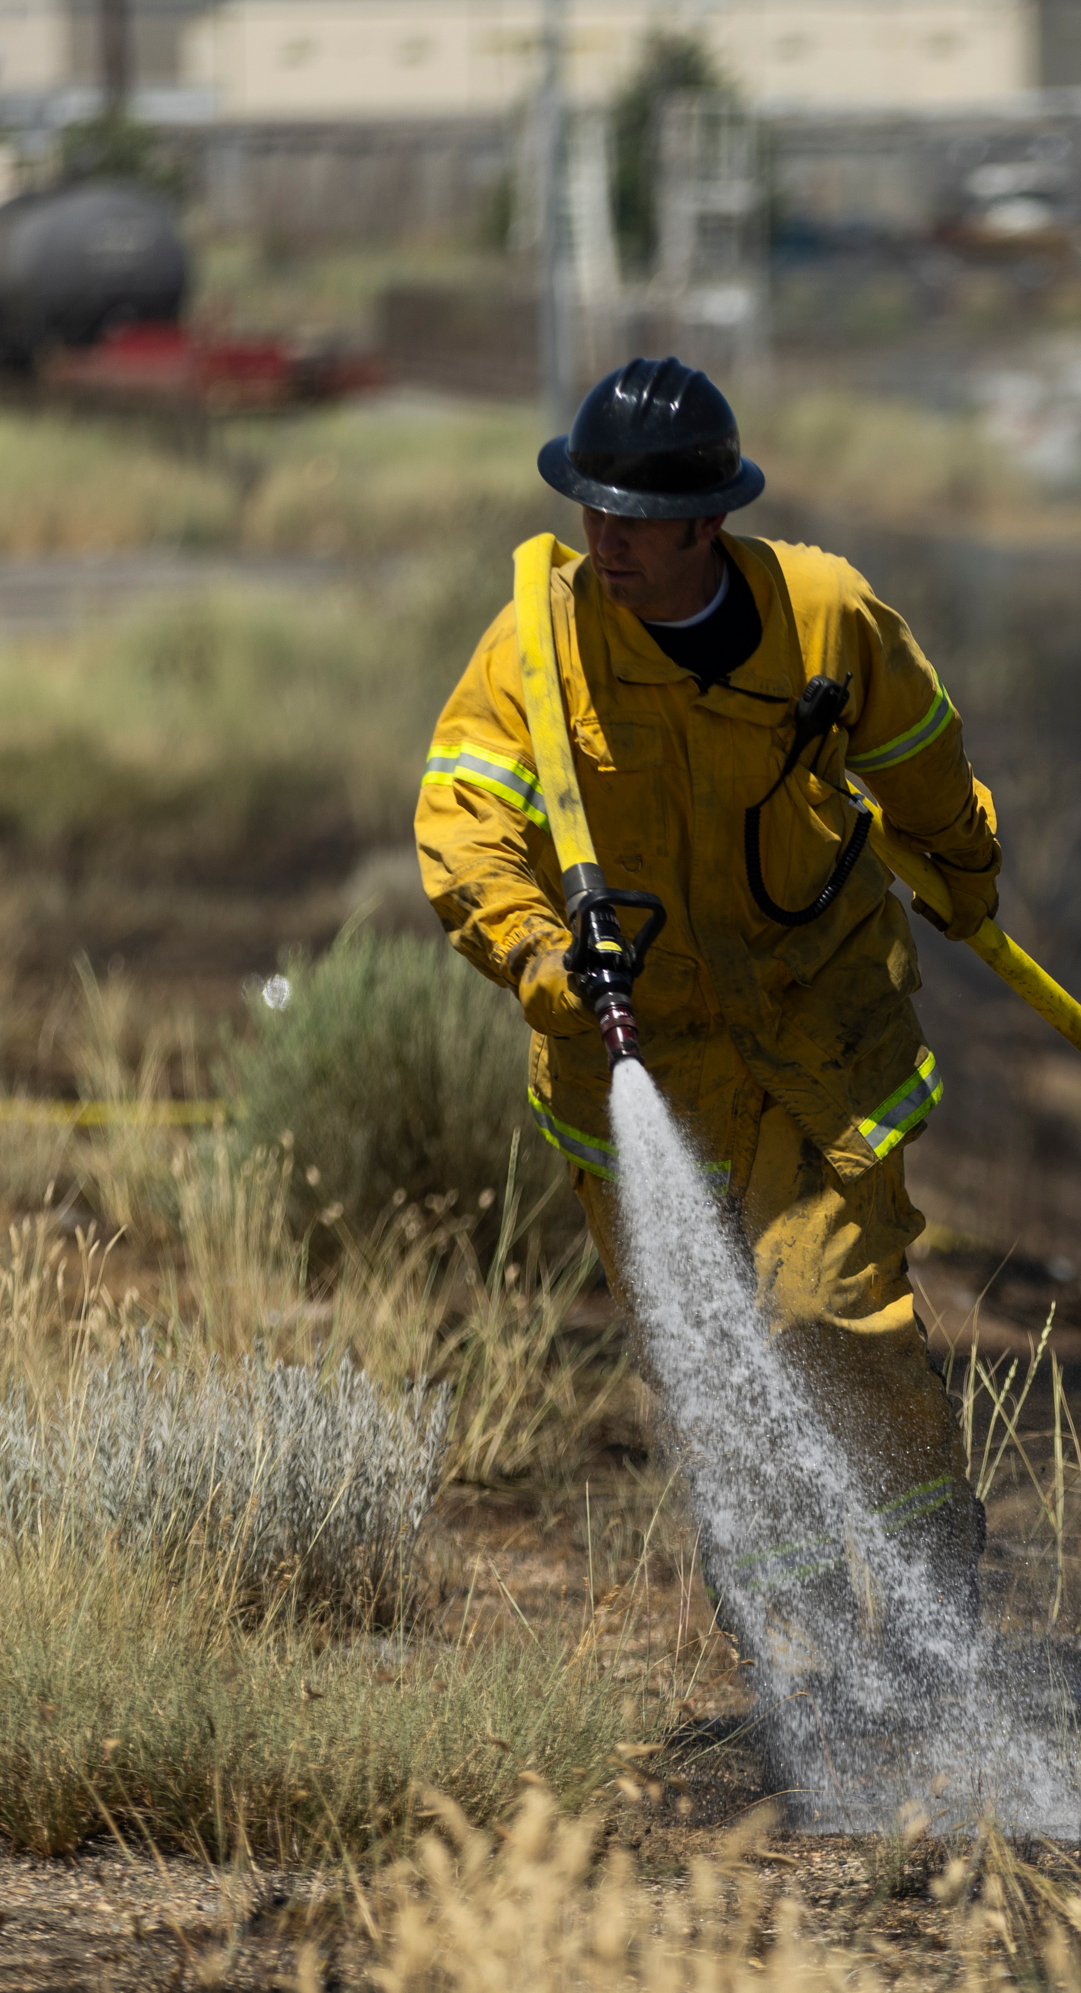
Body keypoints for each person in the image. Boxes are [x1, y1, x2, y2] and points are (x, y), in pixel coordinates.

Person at [415, 356, 1001, 1613]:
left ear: (705, 522)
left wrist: (961, 862)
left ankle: (928, 1579)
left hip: (812, 1032)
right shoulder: (537, 645)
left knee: (830, 1314)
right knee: (718, 1373)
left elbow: (916, 747)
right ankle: (798, 1640)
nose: (605, 541)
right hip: (635, 1054)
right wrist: (538, 951)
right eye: (591, 512)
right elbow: (465, 822)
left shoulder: (822, 614)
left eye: (632, 521)